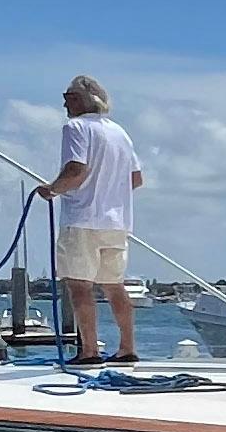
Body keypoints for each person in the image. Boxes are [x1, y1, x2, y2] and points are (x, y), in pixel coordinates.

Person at [33, 74, 144, 366]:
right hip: (116, 221)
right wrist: (109, 192)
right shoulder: (121, 133)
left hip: (83, 218)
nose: (64, 103)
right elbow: (136, 179)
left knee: (79, 286)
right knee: (114, 285)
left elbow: (76, 170)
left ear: (84, 100)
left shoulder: (76, 128)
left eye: (68, 97)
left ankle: (89, 350)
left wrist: (52, 189)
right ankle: (127, 348)